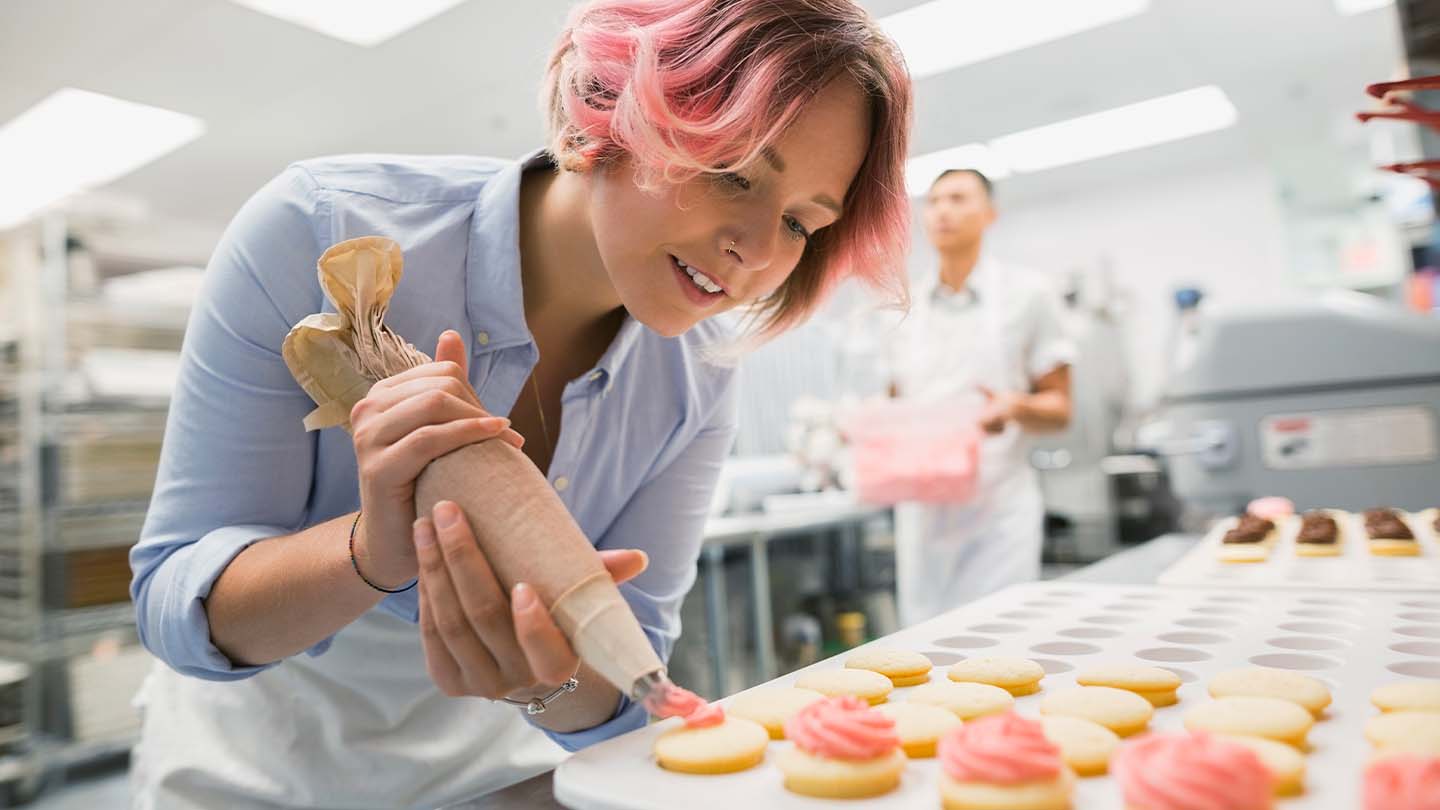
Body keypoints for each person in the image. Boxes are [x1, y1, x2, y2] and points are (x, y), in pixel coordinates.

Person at [126, 1, 912, 807]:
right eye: (732, 171)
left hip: (494, 772)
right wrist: (373, 551)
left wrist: (547, 677)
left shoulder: (700, 376)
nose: (755, 251)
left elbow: (622, 685)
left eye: (799, 222)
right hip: (255, 768)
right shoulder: (319, 229)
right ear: (597, 118)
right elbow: (172, 604)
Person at [890, 169, 1074, 627]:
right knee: (923, 647)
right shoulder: (901, 306)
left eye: (958, 199)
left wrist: (1015, 406)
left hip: (998, 511)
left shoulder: (1029, 295)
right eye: (933, 201)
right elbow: (895, 402)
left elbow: (1060, 408)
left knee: (1002, 641)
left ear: (990, 214)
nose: (942, 211)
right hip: (923, 515)